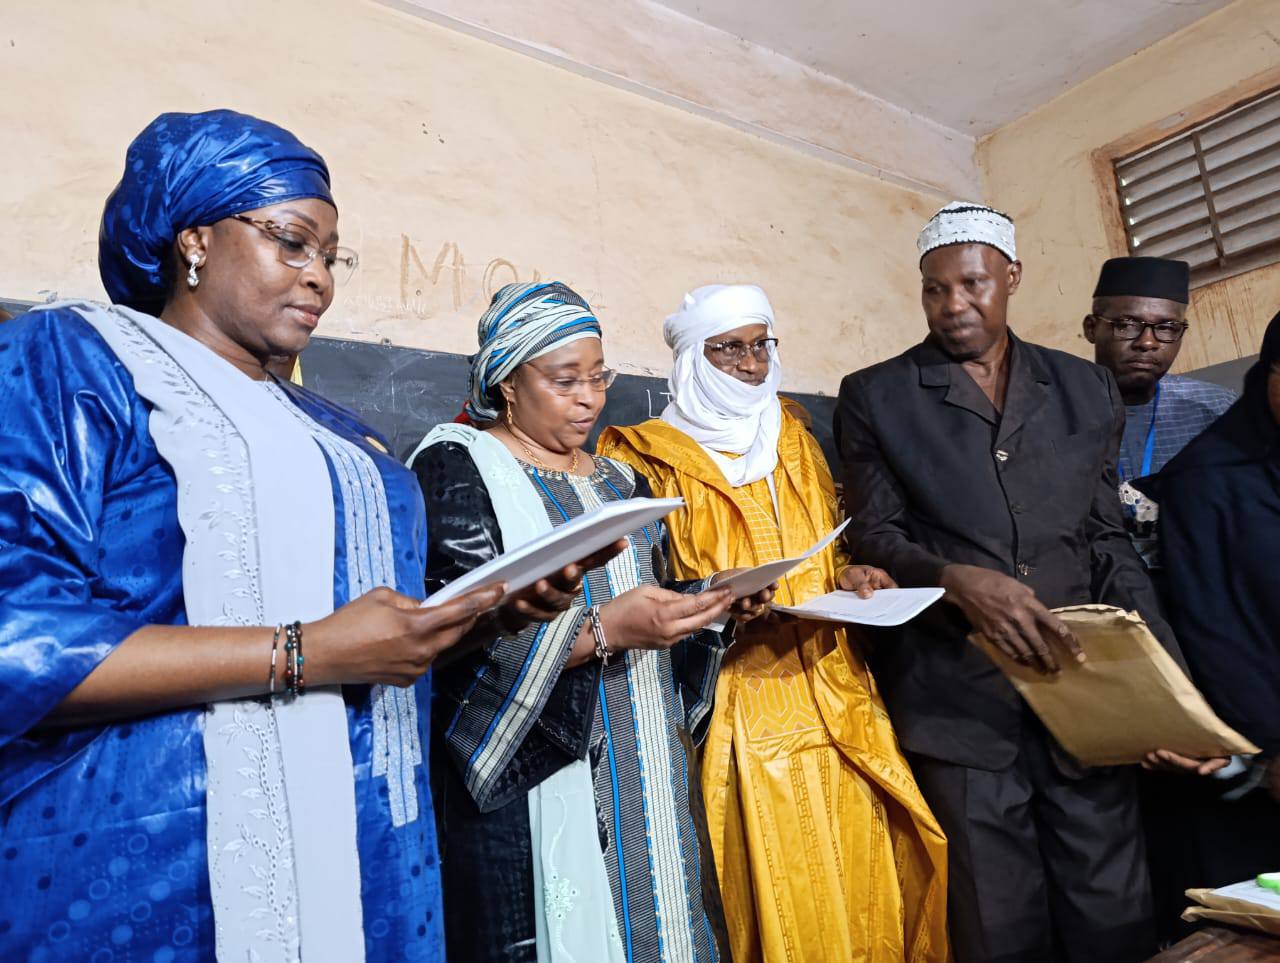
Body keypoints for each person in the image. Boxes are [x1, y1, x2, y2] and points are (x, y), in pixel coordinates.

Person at [0, 111, 605, 963]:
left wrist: (486, 617)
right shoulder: (80, 357)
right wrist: (303, 653)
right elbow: (16, 636)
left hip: (374, 858)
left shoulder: (342, 430)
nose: (319, 277)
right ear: (195, 240)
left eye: (331, 255)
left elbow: (369, 641)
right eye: (292, 241)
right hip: (161, 859)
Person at [833, 201, 1201, 963]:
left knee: (1113, 915)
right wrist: (952, 577)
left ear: (1012, 277)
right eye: (935, 289)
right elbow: (875, 534)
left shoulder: (1083, 389)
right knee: (996, 928)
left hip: (1083, 695)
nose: (954, 305)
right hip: (958, 700)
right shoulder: (877, 394)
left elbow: (1107, 540)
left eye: (973, 285)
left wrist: (1167, 686)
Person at [407, 281, 775, 963]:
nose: (589, 398)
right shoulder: (457, 468)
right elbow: (453, 636)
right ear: (507, 382)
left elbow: (643, 595)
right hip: (536, 784)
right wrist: (605, 629)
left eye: (599, 376)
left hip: (649, 767)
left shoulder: (620, 481)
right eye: (564, 379)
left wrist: (709, 604)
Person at [598, 283, 948, 962]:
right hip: (735, 710)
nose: (753, 364)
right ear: (694, 357)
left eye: (762, 345)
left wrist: (849, 573)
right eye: (731, 349)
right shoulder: (644, 455)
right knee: (770, 889)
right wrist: (715, 602)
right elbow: (641, 586)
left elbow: (829, 540)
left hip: (836, 694)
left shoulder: (794, 433)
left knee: (872, 870)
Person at [1136, 311, 1280, 891]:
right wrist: (1269, 748)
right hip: (1250, 757)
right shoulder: (1209, 479)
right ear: (1267, 372)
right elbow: (1213, 628)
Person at [1082, 255, 1236, 568]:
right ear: (1091, 328)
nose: (1147, 342)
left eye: (1166, 327)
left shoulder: (1220, 411)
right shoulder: (1054, 411)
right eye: (1126, 325)